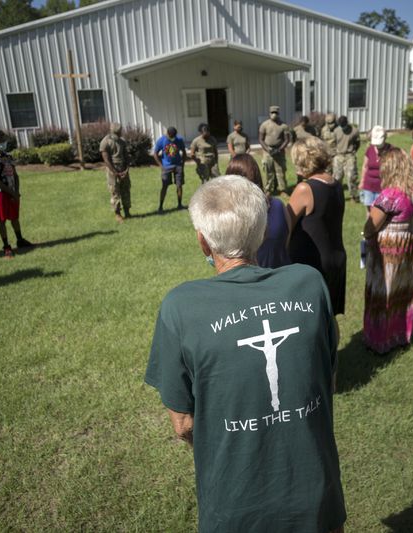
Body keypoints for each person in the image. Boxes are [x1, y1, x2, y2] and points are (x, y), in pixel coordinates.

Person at [145, 175, 346, 533]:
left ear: (203, 243)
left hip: (236, 504)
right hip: (315, 496)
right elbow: (327, 382)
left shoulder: (182, 307)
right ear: (264, 229)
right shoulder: (310, 283)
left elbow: (183, 424)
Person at [362, 148, 413, 353]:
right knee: (403, 291)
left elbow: (371, 225)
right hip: (411, 246)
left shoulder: (390, 195)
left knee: (385, 294)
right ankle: (400, 335)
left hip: (390, 250)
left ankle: (380, 340)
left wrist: (366, 234)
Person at [288, 137, 347, 315]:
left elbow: (286, 227)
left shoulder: (305, 189)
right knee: (329, 317)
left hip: (313, 263)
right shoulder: (335, 184)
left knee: (310, 319)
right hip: (336, 257)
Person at [225, 154, 292, 268]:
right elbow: (287, 240)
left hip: (253, 281)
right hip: (284, 276)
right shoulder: (279, 205)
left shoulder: (231, 216)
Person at [0, 129, 33, 258]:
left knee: (15, 217)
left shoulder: (7, 156)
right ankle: (6, 246)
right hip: (0, 193)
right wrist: (11, 192)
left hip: (12, 192)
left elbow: (15, 175)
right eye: (1, 140)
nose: (3, 142)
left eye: (4, 139)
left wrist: (16, 191)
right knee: (2, 219)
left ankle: (20, 240)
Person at [99, 122, 131, 223]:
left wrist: (126, 169)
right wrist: (115, 172)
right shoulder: (105, 142)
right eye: (120, 131)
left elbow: (126, 157)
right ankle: (118, 214)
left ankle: (127, 212)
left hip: (123, 168)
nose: (121, 132)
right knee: (115, 192)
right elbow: (106, 159)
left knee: (126, 190)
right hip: (112, 170)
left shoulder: (122, 141)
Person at [258, 105, 291, 196]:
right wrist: (268, 149)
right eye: (272, 112)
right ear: (269, 113)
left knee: (280, 171)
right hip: (268, 151)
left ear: (278, 113)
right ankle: (269, 189)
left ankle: (283, 190)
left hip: (279, 151)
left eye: (276, 113)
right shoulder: (264, 125)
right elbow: (260, 139)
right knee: (269, 171)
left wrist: (280, 149)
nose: (274, 114)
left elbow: (287, 139)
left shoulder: (283, 125)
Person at [153, 126, 187, 212]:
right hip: (166, 166)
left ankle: (179, 205)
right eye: (170, 137)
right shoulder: (161, 140)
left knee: (179, 185)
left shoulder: (179, 139)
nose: (172, 138)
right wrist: (161, 166)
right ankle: (160, 206)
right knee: (164, 186)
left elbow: (184, 152)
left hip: (178, 165)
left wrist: (182, 164)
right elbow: (155, 153)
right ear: (167, 134)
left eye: (173, 137)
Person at [332, 116, 360, 202]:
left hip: (349, 156)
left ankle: (353, 196)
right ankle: (336, 196)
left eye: (344, 125)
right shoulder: (336, 131)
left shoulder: (354, 131)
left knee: (351, 176)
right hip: (339, 156)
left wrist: (353, 151)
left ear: (347, 123)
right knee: (337, 178)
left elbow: (357, 143)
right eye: (341, 125)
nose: (343, 127)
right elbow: (333, 143)